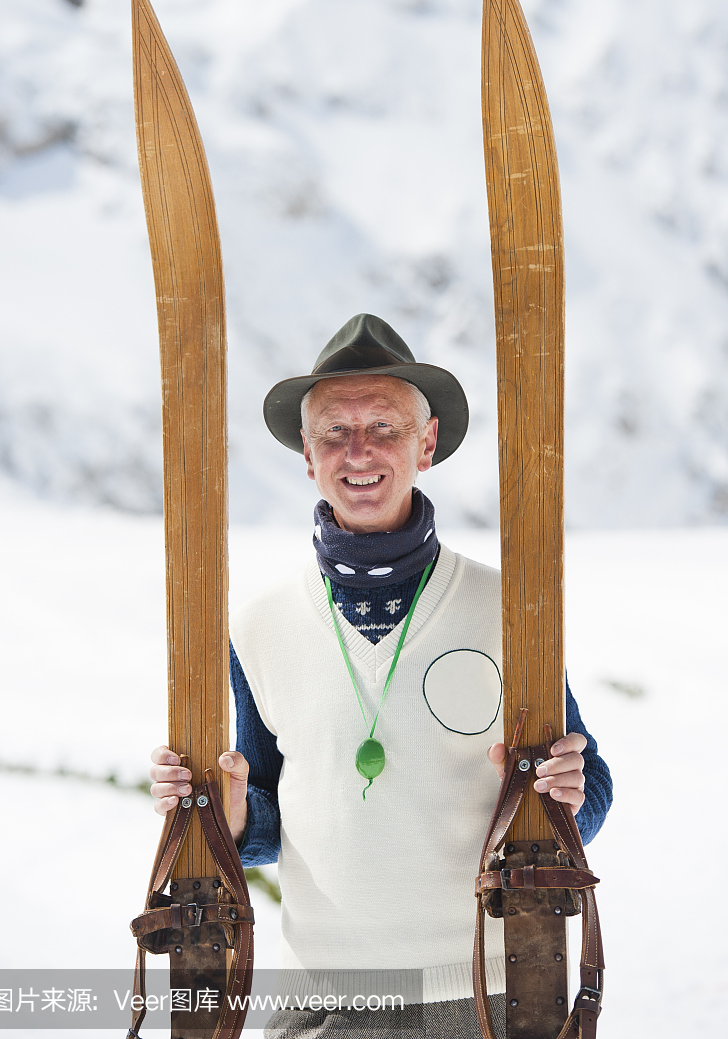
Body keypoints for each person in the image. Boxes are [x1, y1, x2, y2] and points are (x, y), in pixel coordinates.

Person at [149, 314, 612, 1039]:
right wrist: (228, 818)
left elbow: (591, 790)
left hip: (490, 995)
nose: (357, 450)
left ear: (425, 444)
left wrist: (566, 798)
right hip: (323, 999)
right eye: (334, 430)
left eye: (385, 428)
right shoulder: (258, 627)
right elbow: (269, 814)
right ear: (307, 453)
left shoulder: (510, 608)